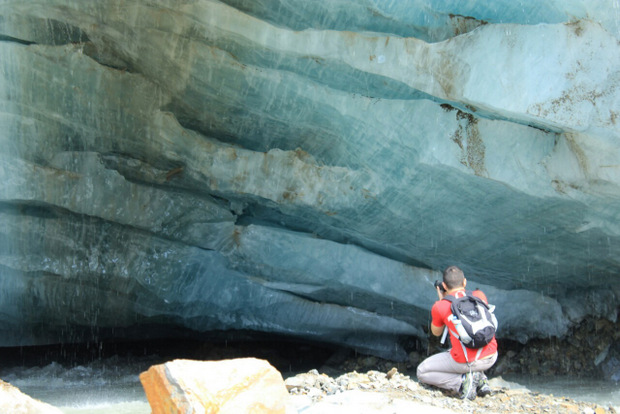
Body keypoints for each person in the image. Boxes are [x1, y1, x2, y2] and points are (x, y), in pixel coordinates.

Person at [416, 265, 498, 400]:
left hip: (466, 362)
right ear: (464, 282)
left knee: (422, 371)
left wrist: (442, 300)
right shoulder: (479, 296)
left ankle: (461, 383)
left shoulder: (440, 306)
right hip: (491, 356)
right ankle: (480, 379)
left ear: (443, 285)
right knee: (463, 343)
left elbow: (436, 333)